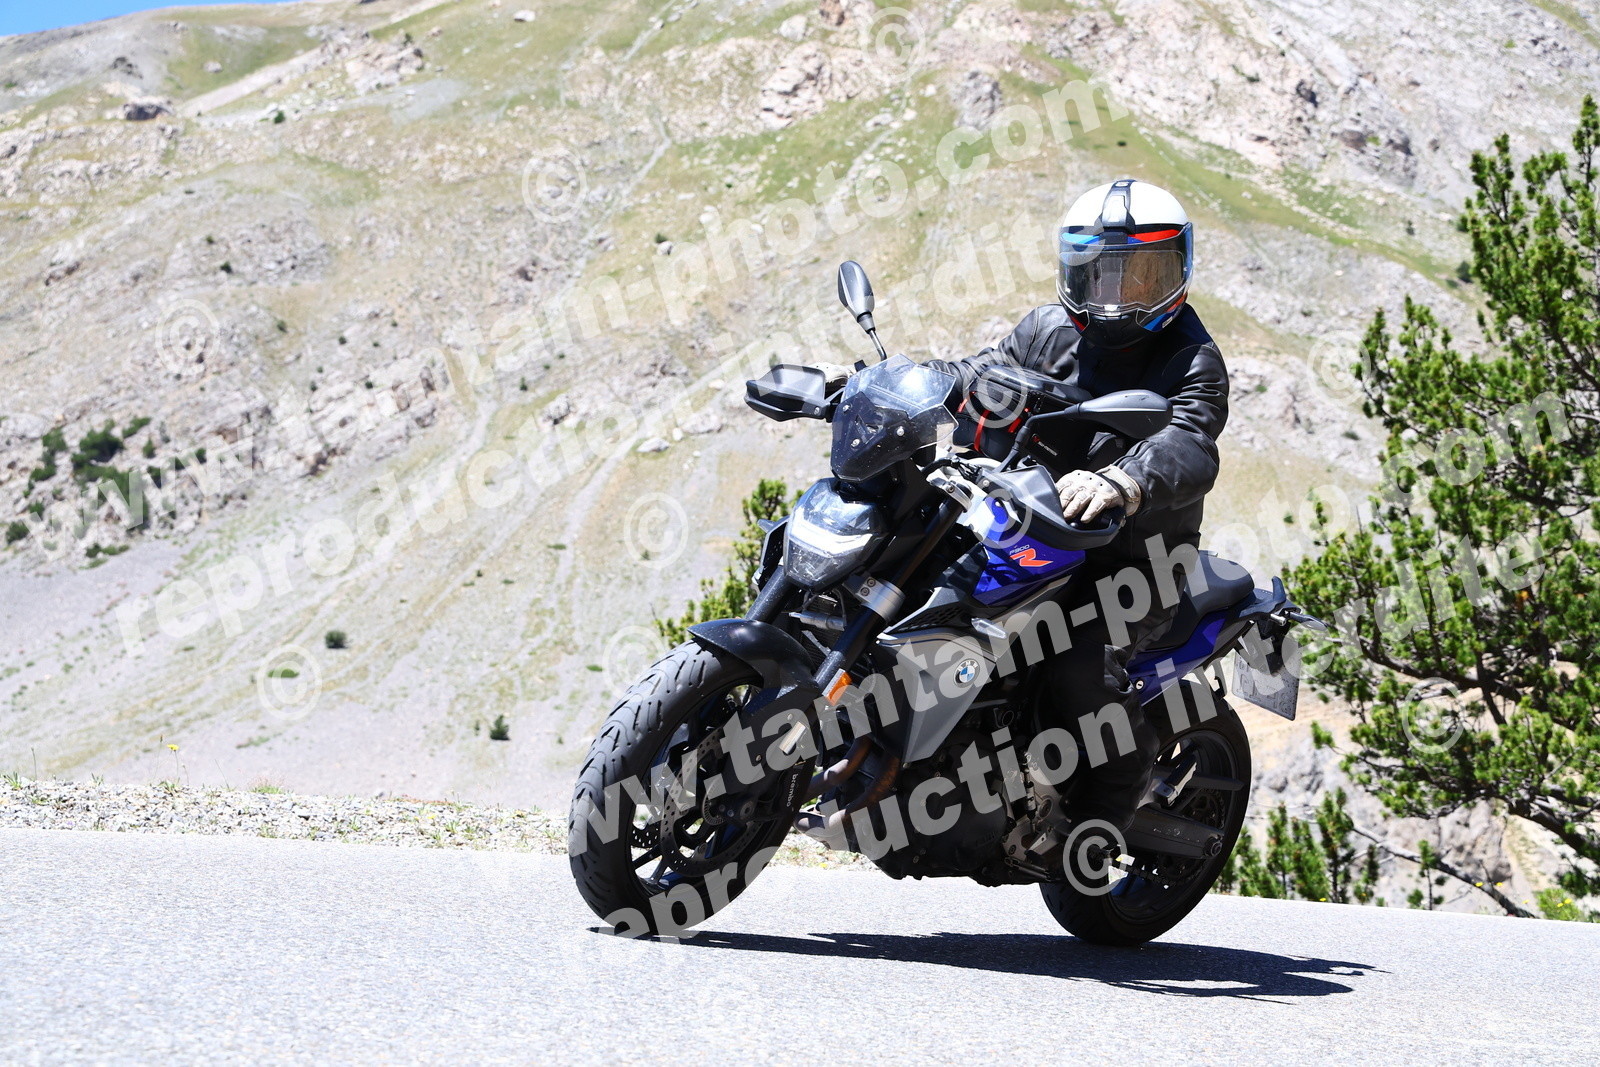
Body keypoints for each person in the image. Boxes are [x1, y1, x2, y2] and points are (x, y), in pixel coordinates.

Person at [826, 178, 1229, 841]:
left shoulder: (1193, 360)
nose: (1117, 293)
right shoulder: (1046, 330)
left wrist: (1122, 481)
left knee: (1077, 668)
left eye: (1141, 275)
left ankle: (1101, 822)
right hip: (1023, 523)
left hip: (1128, 559)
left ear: (1176, 270)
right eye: (1102, 272)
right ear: (1074, 268)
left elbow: (1188, 442)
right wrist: (886, 387)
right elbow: (979, 374)